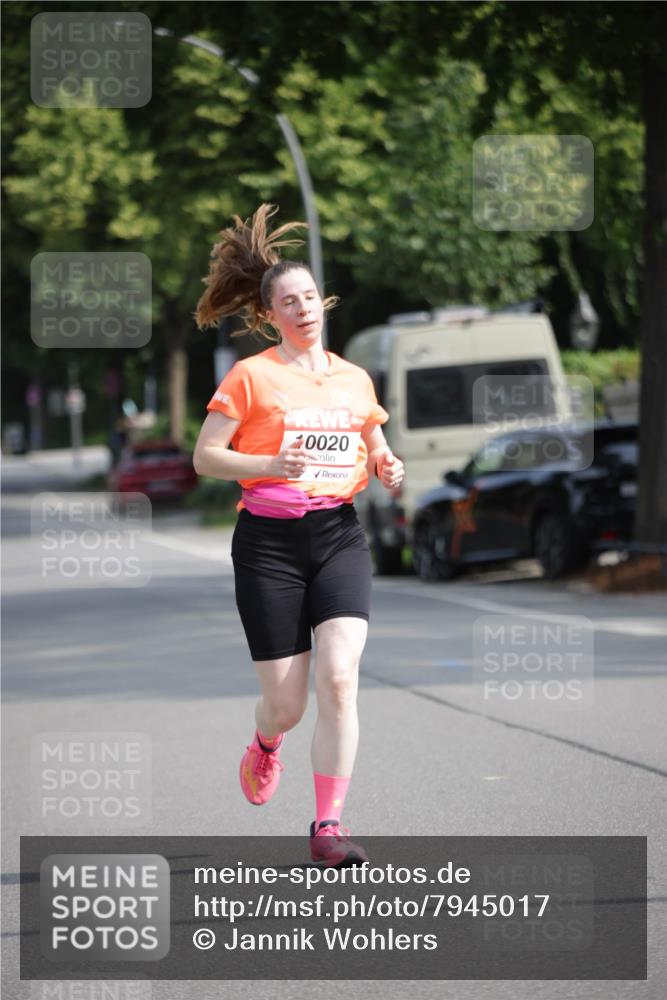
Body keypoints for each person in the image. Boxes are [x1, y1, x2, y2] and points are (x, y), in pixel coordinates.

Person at [192, 204, 404, 867]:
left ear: (322, 302)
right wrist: (265, 465)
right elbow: (205, 456)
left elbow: (375, 444)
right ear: (270, 314)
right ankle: (265, 744)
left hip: (338, 536)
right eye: (289, 301)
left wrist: (386, 463)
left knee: (340, 681)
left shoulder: (352, 378)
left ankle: (327, 827)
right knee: (285, 705)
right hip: (268, 547)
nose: (303, 307)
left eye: (310, 296)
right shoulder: (252, 376)